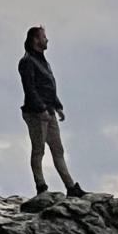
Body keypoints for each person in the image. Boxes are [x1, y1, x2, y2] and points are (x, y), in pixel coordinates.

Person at [17, 25, 84, 199]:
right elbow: (29, 88)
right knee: (38, 150)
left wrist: (57, 105)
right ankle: (41, 186)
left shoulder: (42, 61)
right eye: (43, 37)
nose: (47, 40)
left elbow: (49, 87)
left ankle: (71, 186)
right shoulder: (27, 61)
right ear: (35, 40)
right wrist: (41, 109)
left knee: (58, 150)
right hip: (36, 113)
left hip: (49, 111)